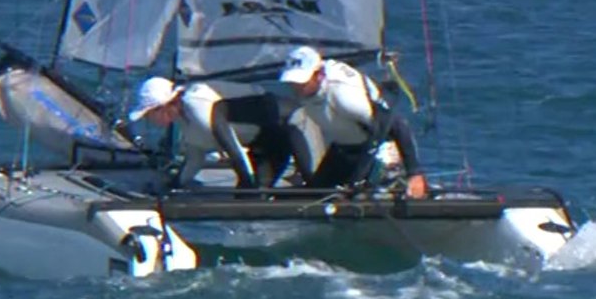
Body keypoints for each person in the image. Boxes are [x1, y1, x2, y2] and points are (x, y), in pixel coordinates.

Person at [279, 46, 428, 199]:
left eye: (301, 82)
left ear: (319, 75)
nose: (296, 87)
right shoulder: (306, 91)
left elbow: (397, 123)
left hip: (377, 148)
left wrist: (414, 173)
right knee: (314, 195)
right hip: (345, 148)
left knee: (353, 196)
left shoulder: (344, 96)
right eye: (292, 81)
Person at [128, 77, 308, 190]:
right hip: (262, 143)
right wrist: (173, 186)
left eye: (148, 114)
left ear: (163, 106)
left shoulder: (196, 106)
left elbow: (235, 151)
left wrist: (249, 186)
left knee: (253, 194)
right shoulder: (183, 118)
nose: (148, 120)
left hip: (287, 125)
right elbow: (195, 158)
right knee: (248, 196)